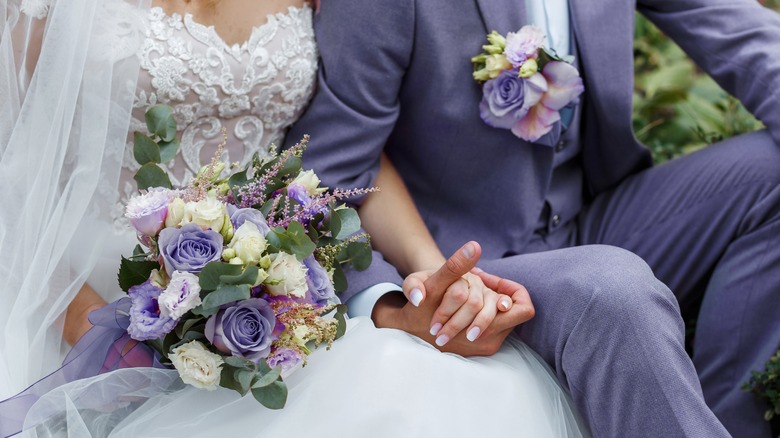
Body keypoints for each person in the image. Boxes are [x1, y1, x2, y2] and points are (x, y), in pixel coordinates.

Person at [0, 0, 590, 436]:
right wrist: (92, 333)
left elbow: (351, 155)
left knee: (423, 396)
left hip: (277, 296)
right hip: (76, 285)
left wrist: (430, 270)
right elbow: (11, 169)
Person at [283, 0, 780, 436]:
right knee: (611, 289)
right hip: (462, 263)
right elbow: (328, 175)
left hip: (592, 217)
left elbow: (743, 32)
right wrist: (391, 300)